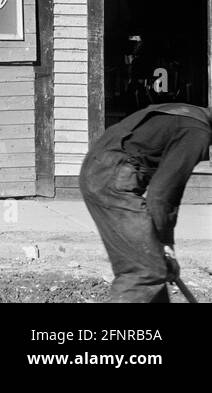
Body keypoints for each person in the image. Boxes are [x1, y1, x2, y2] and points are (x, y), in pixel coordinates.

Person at [79, 101, 212, 303]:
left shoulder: (185, 114)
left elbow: (166, 193)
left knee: (152, 265)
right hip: (111, 181)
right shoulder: (197, 131)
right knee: (145, 272)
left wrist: (163, 245)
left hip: (100, 171)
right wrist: (164, 243)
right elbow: (162, 194)